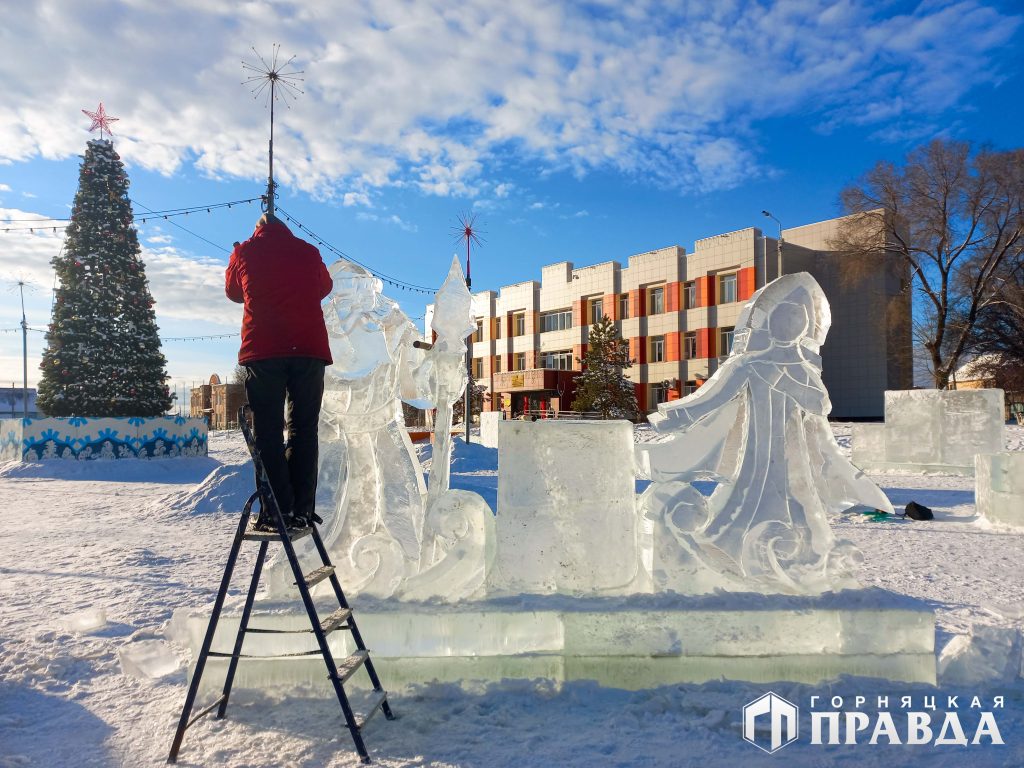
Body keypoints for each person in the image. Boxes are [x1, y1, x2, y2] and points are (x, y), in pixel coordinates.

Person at [226, 213, 333, 530]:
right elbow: (324, 286)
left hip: (264, 350)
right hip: (309, 351)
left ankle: (277, 509)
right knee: (304, 428)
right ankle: (301, 509)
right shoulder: (308, 251)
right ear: (286, 230)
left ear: (257, 229)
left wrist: (236, 258)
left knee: (269, 432)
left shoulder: (245, 251)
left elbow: (233, 292)